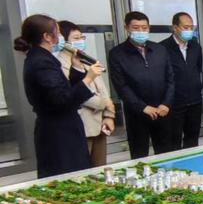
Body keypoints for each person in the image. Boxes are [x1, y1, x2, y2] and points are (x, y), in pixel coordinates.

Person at [16, 15, 103, 178]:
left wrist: (76, 68)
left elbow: (64, 90)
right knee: (68, 177)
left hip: (63, 128)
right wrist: (88, 78)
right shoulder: (41, 62)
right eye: (58, 32)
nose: (61, 37)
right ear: (47, 37)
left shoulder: (43, 58)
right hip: (59, 133)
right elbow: (61, 99)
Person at [108, 11, 174, 159]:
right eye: (136, 28)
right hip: (136, 113)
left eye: (144, 28)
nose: (141, 31)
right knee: (139, 155)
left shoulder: (160, 50)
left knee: (166, 155)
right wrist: (143, 107)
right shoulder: (117, 54)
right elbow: (121, 86)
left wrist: (166, 103)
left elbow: (170, 79)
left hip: (162, 111)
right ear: (127, 28)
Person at [57, 21, 116, 167]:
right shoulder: (59, 65)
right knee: (82, 168)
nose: (81, 41)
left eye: (82, 37)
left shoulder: (86, 60)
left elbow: (103, 90)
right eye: (76, 38)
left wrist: (109, 116)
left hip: (100, 124)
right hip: (81, 125)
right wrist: (103, 103)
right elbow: (79, 93)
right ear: (64, 42)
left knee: (100, 167)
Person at [161, 12, 203, 150]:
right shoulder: (162, 48)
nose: (189, 30)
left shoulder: (195, 46)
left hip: (195, 101)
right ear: (175, 27)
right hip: (174, 103)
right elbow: (162, 76)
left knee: (192, 139)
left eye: (191, 27)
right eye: (186, 27)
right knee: (174, 140)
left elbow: (198, 68)